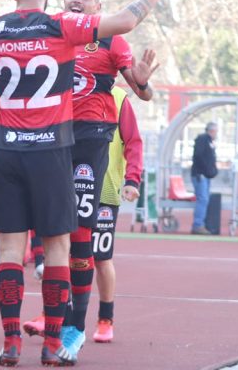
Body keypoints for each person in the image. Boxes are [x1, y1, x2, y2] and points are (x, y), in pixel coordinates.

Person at [0, 0, 192, 366]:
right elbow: (128, 19)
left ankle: (10, 343)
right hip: (51, 151)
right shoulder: (61, 27)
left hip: (5, 150)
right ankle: (54, 344)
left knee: (10, 247)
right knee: (59, 246)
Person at [92, 86, 143, 344]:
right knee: (62, 253)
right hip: (68, 189)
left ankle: (105, 319)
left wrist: (132, 180)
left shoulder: (119, 97)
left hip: (105, 190)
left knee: (101, 258)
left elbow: (133, 141)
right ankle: (54, 315)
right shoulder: (68, 84)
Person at [191, 122, 218, 235]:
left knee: (204, 199)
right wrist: (207, 170)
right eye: (216, 131)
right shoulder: (203, 139)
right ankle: (198, 225)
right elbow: (199, 156)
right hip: (200, 175)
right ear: (211, 131)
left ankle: (200, 224)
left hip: (204, 175)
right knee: (203, 199)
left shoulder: (208, 141)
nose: (216, 133)